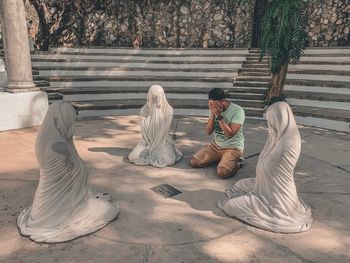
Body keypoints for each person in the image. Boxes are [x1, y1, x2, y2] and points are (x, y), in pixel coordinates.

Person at [17, 101, 119, 243]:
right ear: (61, 119)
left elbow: (68, 180)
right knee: (109, 209)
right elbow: (70, 179)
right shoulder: (59, 147)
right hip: (62, 208)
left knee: (98, 198)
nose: (72, 124)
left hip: (50, 201)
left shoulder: (50, 138)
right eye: (71, 120)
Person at [217, 102, 313, 233]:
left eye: (271, 122)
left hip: (274, 197)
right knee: (240, 185)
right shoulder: (281, 136)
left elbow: (266, 168)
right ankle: (250, 195)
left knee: (230, 206)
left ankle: (257, 205)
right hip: (265, 183)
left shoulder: (286, 146)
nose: (270, 126)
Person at [190, 88, 245, 178]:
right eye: (211, 104)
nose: (213, 106)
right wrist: (212, 113)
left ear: (223, 100)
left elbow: (229, 134)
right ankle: (221, 159)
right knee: (194, 162)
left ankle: (237, 163)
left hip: (233, 147)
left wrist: (219, 116)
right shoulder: (213, 108)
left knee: (222, 172)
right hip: (216, 146)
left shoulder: (238, 111)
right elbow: (208, 131)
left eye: (215, 104)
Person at [128, 84, 182, 167]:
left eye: (158, 97)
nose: (156, 99)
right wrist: (153, 113)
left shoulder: (168, 110)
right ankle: (149, 151)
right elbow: (144, 129)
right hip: (146, 143)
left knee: (167, 159)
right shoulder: (144, 109)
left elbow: (164, 130)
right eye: (153, 97)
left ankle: (159, 151)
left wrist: (158, 111)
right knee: (133, 157)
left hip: (163, 142)